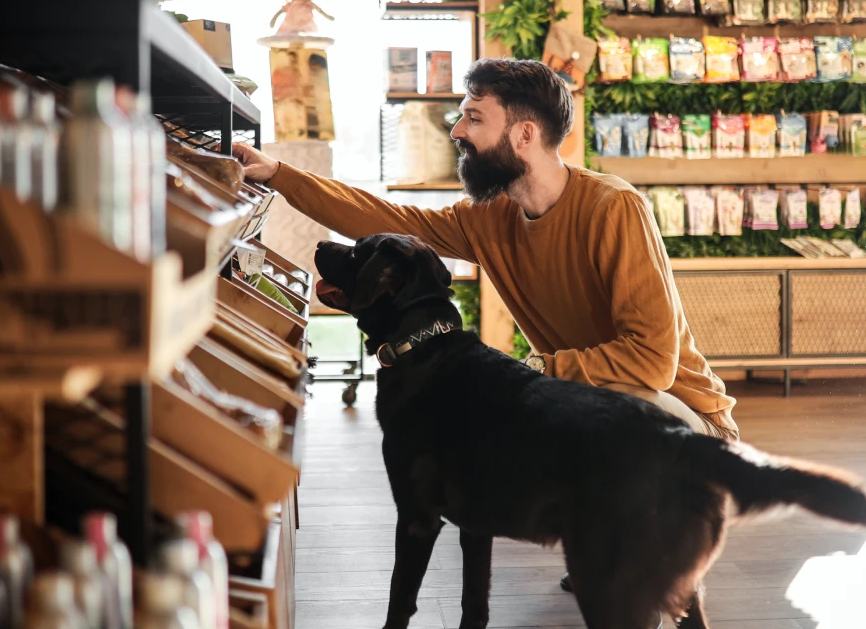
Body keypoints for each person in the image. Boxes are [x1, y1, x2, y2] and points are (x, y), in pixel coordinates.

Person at [233, 57, 739, 602]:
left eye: (474, 118)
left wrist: (539, 371)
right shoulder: (492, 219)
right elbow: (387, 221)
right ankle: (600, 535)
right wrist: (279, 176)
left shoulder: (614, 208)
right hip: (590, 406)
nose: (456, 131)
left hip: (685, 424)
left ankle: (642, 560)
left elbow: (652, 363)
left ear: (524, 134)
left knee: (605, 413)